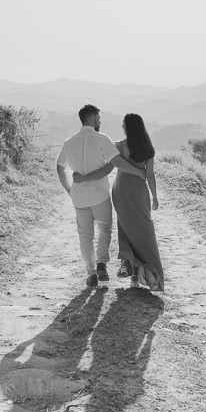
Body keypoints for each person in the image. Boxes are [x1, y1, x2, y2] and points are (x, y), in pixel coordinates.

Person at [56, 104, 147, 288]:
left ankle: (91, 273)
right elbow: (116, 163)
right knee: (105, 229)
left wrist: (69, 190)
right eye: (98, 118)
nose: (100, 121)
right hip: (99, 196)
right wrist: (139, 172)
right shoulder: (102, 139)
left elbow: (60, 167)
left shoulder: (69, 142)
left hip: (79, 198)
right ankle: (101, 264)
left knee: (85, 236)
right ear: (91, 118)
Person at [73, 113, 163, 291]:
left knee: (125, 226)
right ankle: (136, 272)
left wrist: (83, 178)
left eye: (123, 124)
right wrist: (154, 196)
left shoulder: (119, 146)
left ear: (128, 127)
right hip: (139, 191)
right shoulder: (148, 148)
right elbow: (150, 175)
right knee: (142, 229)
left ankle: (127, 265)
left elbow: (107, 169)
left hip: (121, 189)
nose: (122, 126)